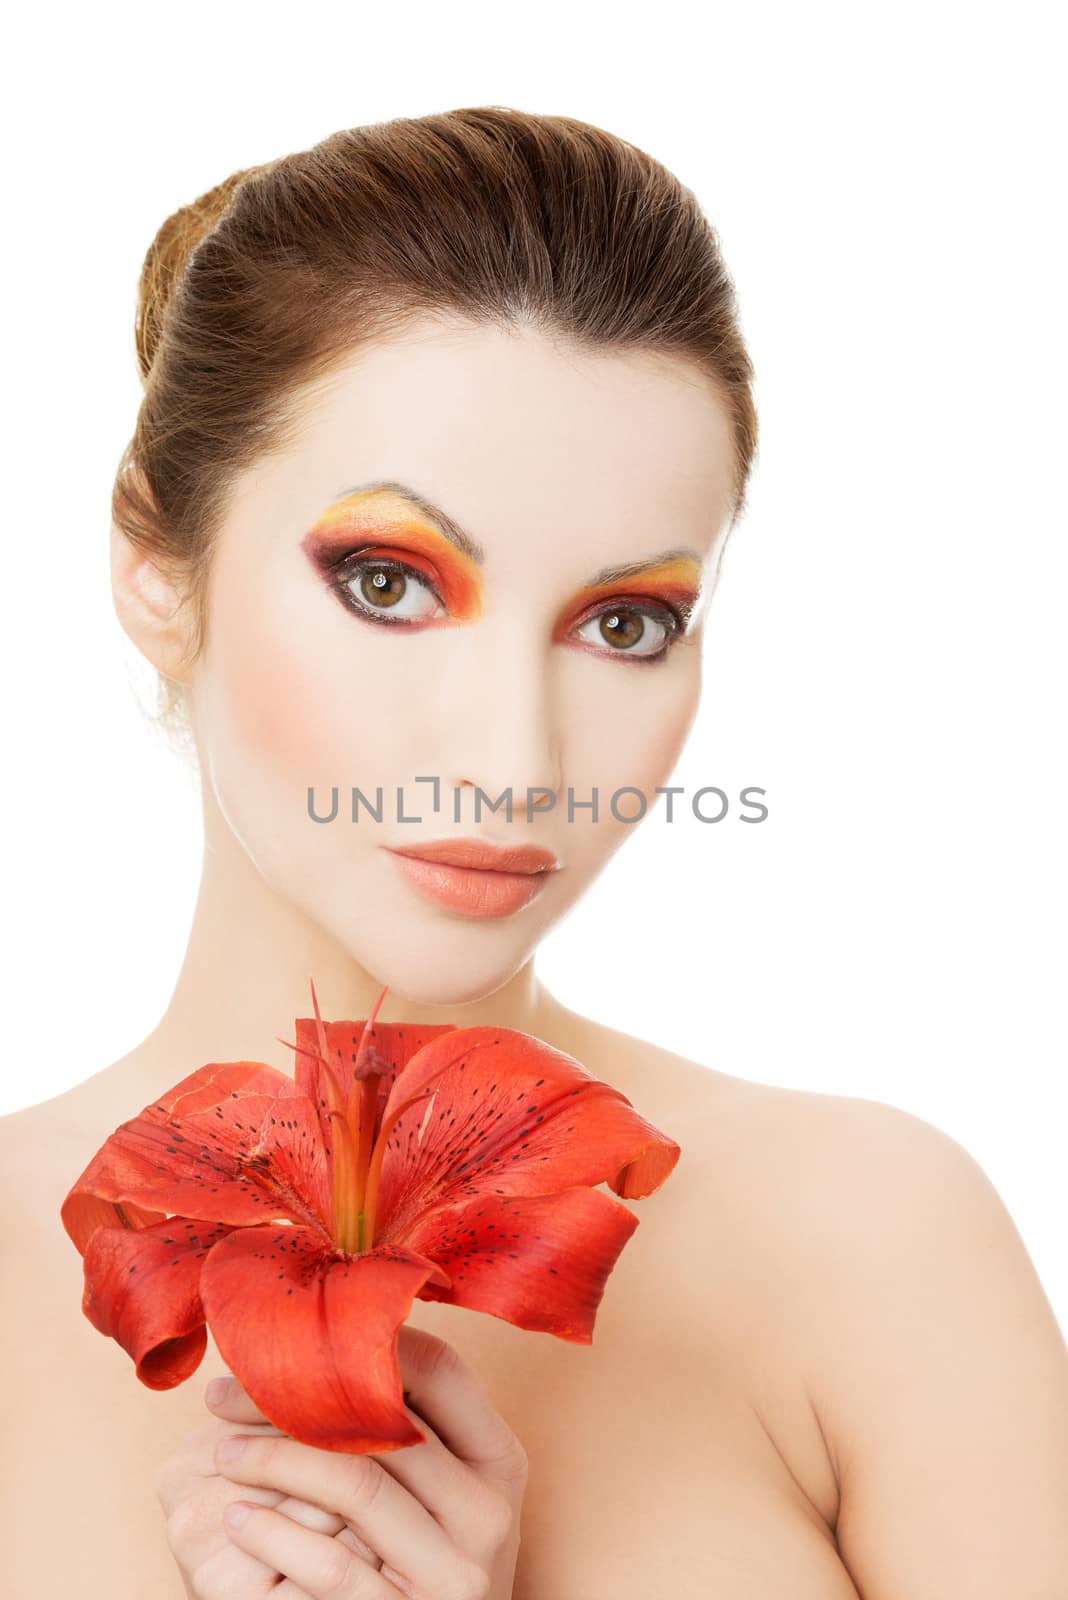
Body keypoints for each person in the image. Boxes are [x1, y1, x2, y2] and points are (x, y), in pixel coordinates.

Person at [3, 106, 1066, 1600]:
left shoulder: (873, 1245)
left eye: (625, 623)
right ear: (155, 569)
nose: (518, 763)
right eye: (388, 583)